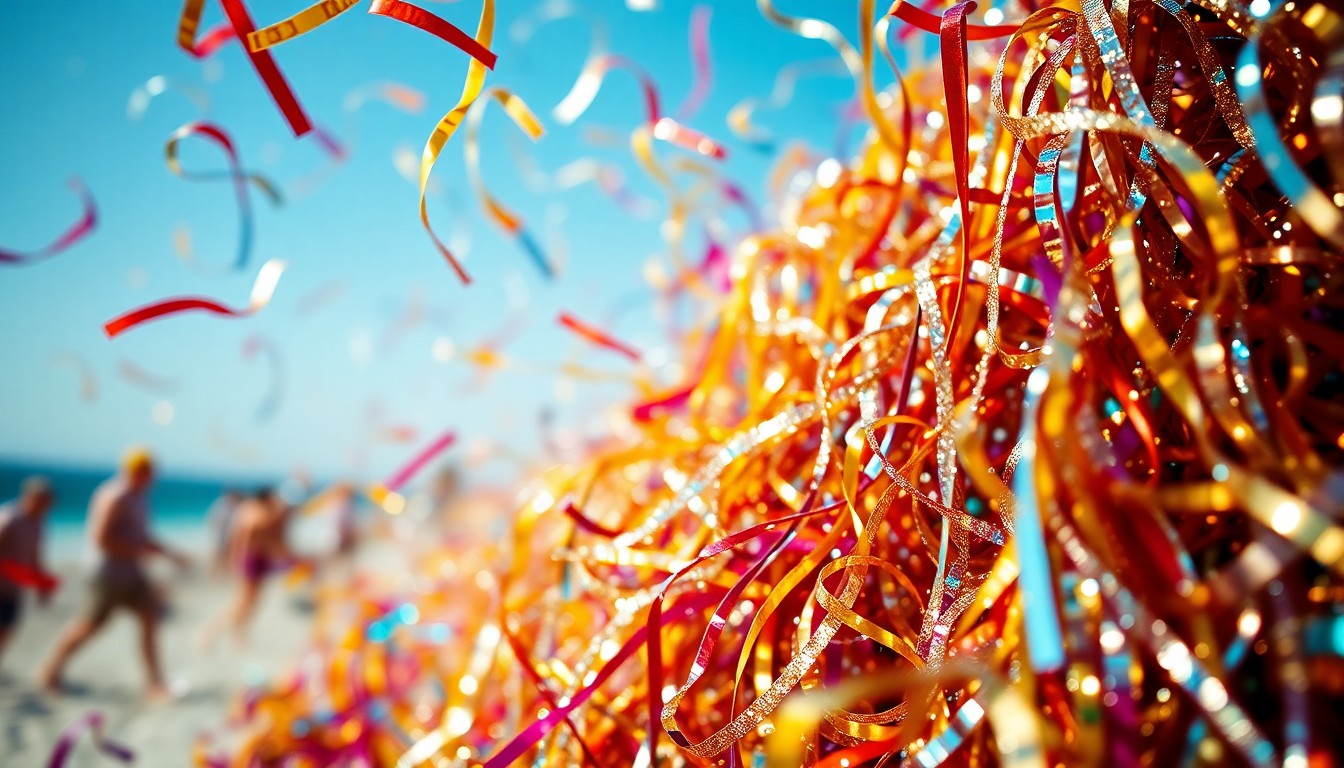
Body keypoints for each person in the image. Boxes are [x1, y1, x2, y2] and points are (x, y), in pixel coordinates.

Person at [39, 448, 189, 699]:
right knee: (90, 625)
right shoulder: (114, 495)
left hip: (131, 571)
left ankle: (155, 684)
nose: (153, 477)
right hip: (107, 574)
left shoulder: (139, 496)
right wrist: (140, 550)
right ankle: (50, 671)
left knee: (150, 618)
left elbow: (140, 536)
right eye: (149, 471)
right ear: (137, 471)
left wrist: (170, 554)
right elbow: (102, 540)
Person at [200, 487, 295, 648]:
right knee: (242, 603)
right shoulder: (258, 515)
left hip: (256, 560)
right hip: (250, 561)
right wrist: (234, 563)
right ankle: (208, 635)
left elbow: (251, 541)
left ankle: (238, 636)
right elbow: (265, 542)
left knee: (251, 603)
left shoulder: (253, 512)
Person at [0, 477, 55, 671]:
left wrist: (42, 585)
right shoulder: (9, 518)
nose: (47, 505)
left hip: (13, 588)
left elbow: (34, 558)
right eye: (44, 500)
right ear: (31, 497)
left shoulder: (37, 523)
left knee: (7, 628)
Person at [206, 489, 243, 576]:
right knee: (219, 554)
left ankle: (223, 573)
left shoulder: (234, 506)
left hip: (231, 535)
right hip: (222, 534)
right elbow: (214, 520)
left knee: (228, 554)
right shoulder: (221, 506)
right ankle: (215, 573)